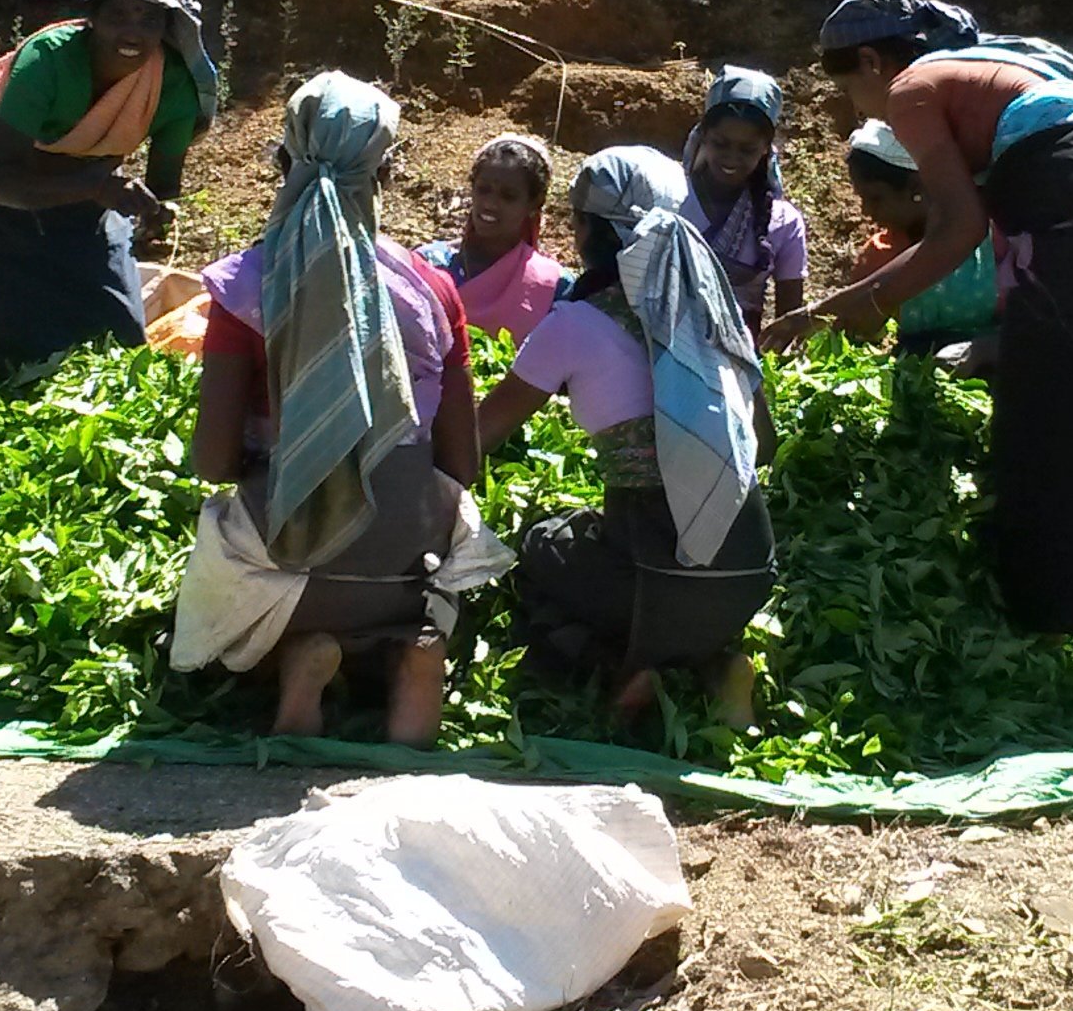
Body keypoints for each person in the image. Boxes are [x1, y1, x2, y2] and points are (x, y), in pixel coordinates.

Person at [766, 0, 1073, 635]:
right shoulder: (989, 76)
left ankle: (1044, 624)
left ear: (871, 61)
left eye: (848, 87)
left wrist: (835, 310)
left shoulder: (913, 88)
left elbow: (956, 228)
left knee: (1049, 438)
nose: (858, 106)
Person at [170, 73, 497, 747]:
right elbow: (463, 463)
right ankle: (411, 658)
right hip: (410, 561)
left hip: (298, 555)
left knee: (218, 581)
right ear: (387, 172)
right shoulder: (432, 288)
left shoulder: (246, 285)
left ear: (281, 161)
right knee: (447, 539)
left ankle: (295, 660)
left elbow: (211, 461)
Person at [478, 147, 773, 725]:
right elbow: (764, 439)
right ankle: (714, 665)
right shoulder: (714, 313)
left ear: (587, 229)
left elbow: (480, 435)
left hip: (651, 571)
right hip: (749, 567)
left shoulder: (575, 323)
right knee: (656, 579)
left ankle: (621, 668)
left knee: (536, 548)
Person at [0, 0, 223, 396]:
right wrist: (93, 187)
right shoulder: (47, 61)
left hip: (90, 175)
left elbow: (163, 187)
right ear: (91, 19)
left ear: (166, 27)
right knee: (7, 310)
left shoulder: (172, 90)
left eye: (148, 19)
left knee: (114, 319)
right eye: (118, 16)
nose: (132, 32)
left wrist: (153, 213)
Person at [844, 119, 1003, 362]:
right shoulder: (881, 254)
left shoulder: (992, 239)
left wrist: (982, 350)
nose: (866, 211)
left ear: (915, 188)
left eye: (876, 198)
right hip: (915, 378)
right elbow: (857, 334)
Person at [677, 67, 809, 334]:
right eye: (721, 144)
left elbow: (789, 321)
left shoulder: (784, 223)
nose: (731, 158)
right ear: (703, 135)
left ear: (765, 149)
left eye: (747, 149)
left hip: (737, 368)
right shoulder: (670, 196)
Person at [415, 132, 569, 340]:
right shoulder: (429, 265)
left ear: (534, 204)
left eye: (508, 196)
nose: (490, 204)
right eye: (483, 190)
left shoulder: (554, 287)